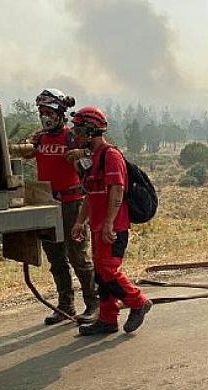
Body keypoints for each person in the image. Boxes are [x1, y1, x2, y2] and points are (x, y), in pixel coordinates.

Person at [68, 106, 153, 336]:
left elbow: (117, 191)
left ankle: (138, 302)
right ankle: (107, 319)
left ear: (91, 130)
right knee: (100, 273)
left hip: (114, 227)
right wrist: (80, 222)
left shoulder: (111, 156)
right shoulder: (92, 158)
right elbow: (90, 194)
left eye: (78, 129)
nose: (75, 134)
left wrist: (108, 224)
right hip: (98, 226)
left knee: (108, 270)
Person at [25, 89, 97, 325]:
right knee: (56, 259)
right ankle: (65, 305)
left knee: (77, 256)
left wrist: (81, 154)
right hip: (47, 204)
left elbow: (95, 155)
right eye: (42, 112)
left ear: (60, 114)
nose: (45, 117)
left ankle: (93, 304)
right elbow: (25, 153)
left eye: (49, 112)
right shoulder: (40, 139)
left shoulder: (71, 137)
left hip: (71, 205)